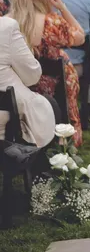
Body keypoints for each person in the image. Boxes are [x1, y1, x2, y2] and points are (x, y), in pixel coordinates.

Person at [10, 0, 85, 145]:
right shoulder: (51, 22)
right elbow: (80, 37)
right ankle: (66, 139)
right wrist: (62, 8)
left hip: (19, 85)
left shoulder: (6, 21)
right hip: (54, 85)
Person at [0, 12, 55, 149]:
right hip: (7, 110)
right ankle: (50, 159)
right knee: (49, 105)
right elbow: (32, 75)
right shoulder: (6, 26)